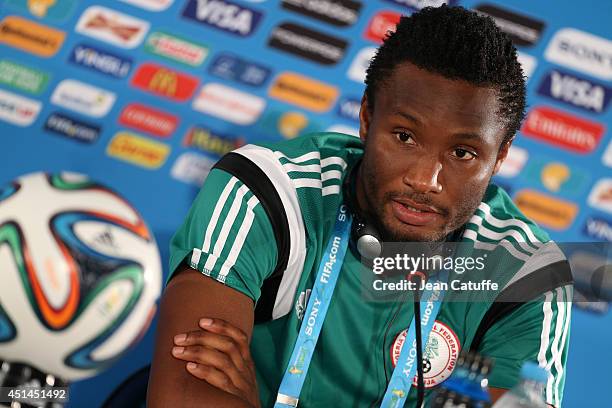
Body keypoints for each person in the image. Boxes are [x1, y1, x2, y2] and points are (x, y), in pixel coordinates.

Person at [147, 5, 572, 408]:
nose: (425, 180)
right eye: (405, 137)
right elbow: (180, 397)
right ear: (367, 117)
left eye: (462, 153)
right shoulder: (269, 190)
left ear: (499, 157)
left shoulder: (528, 273)